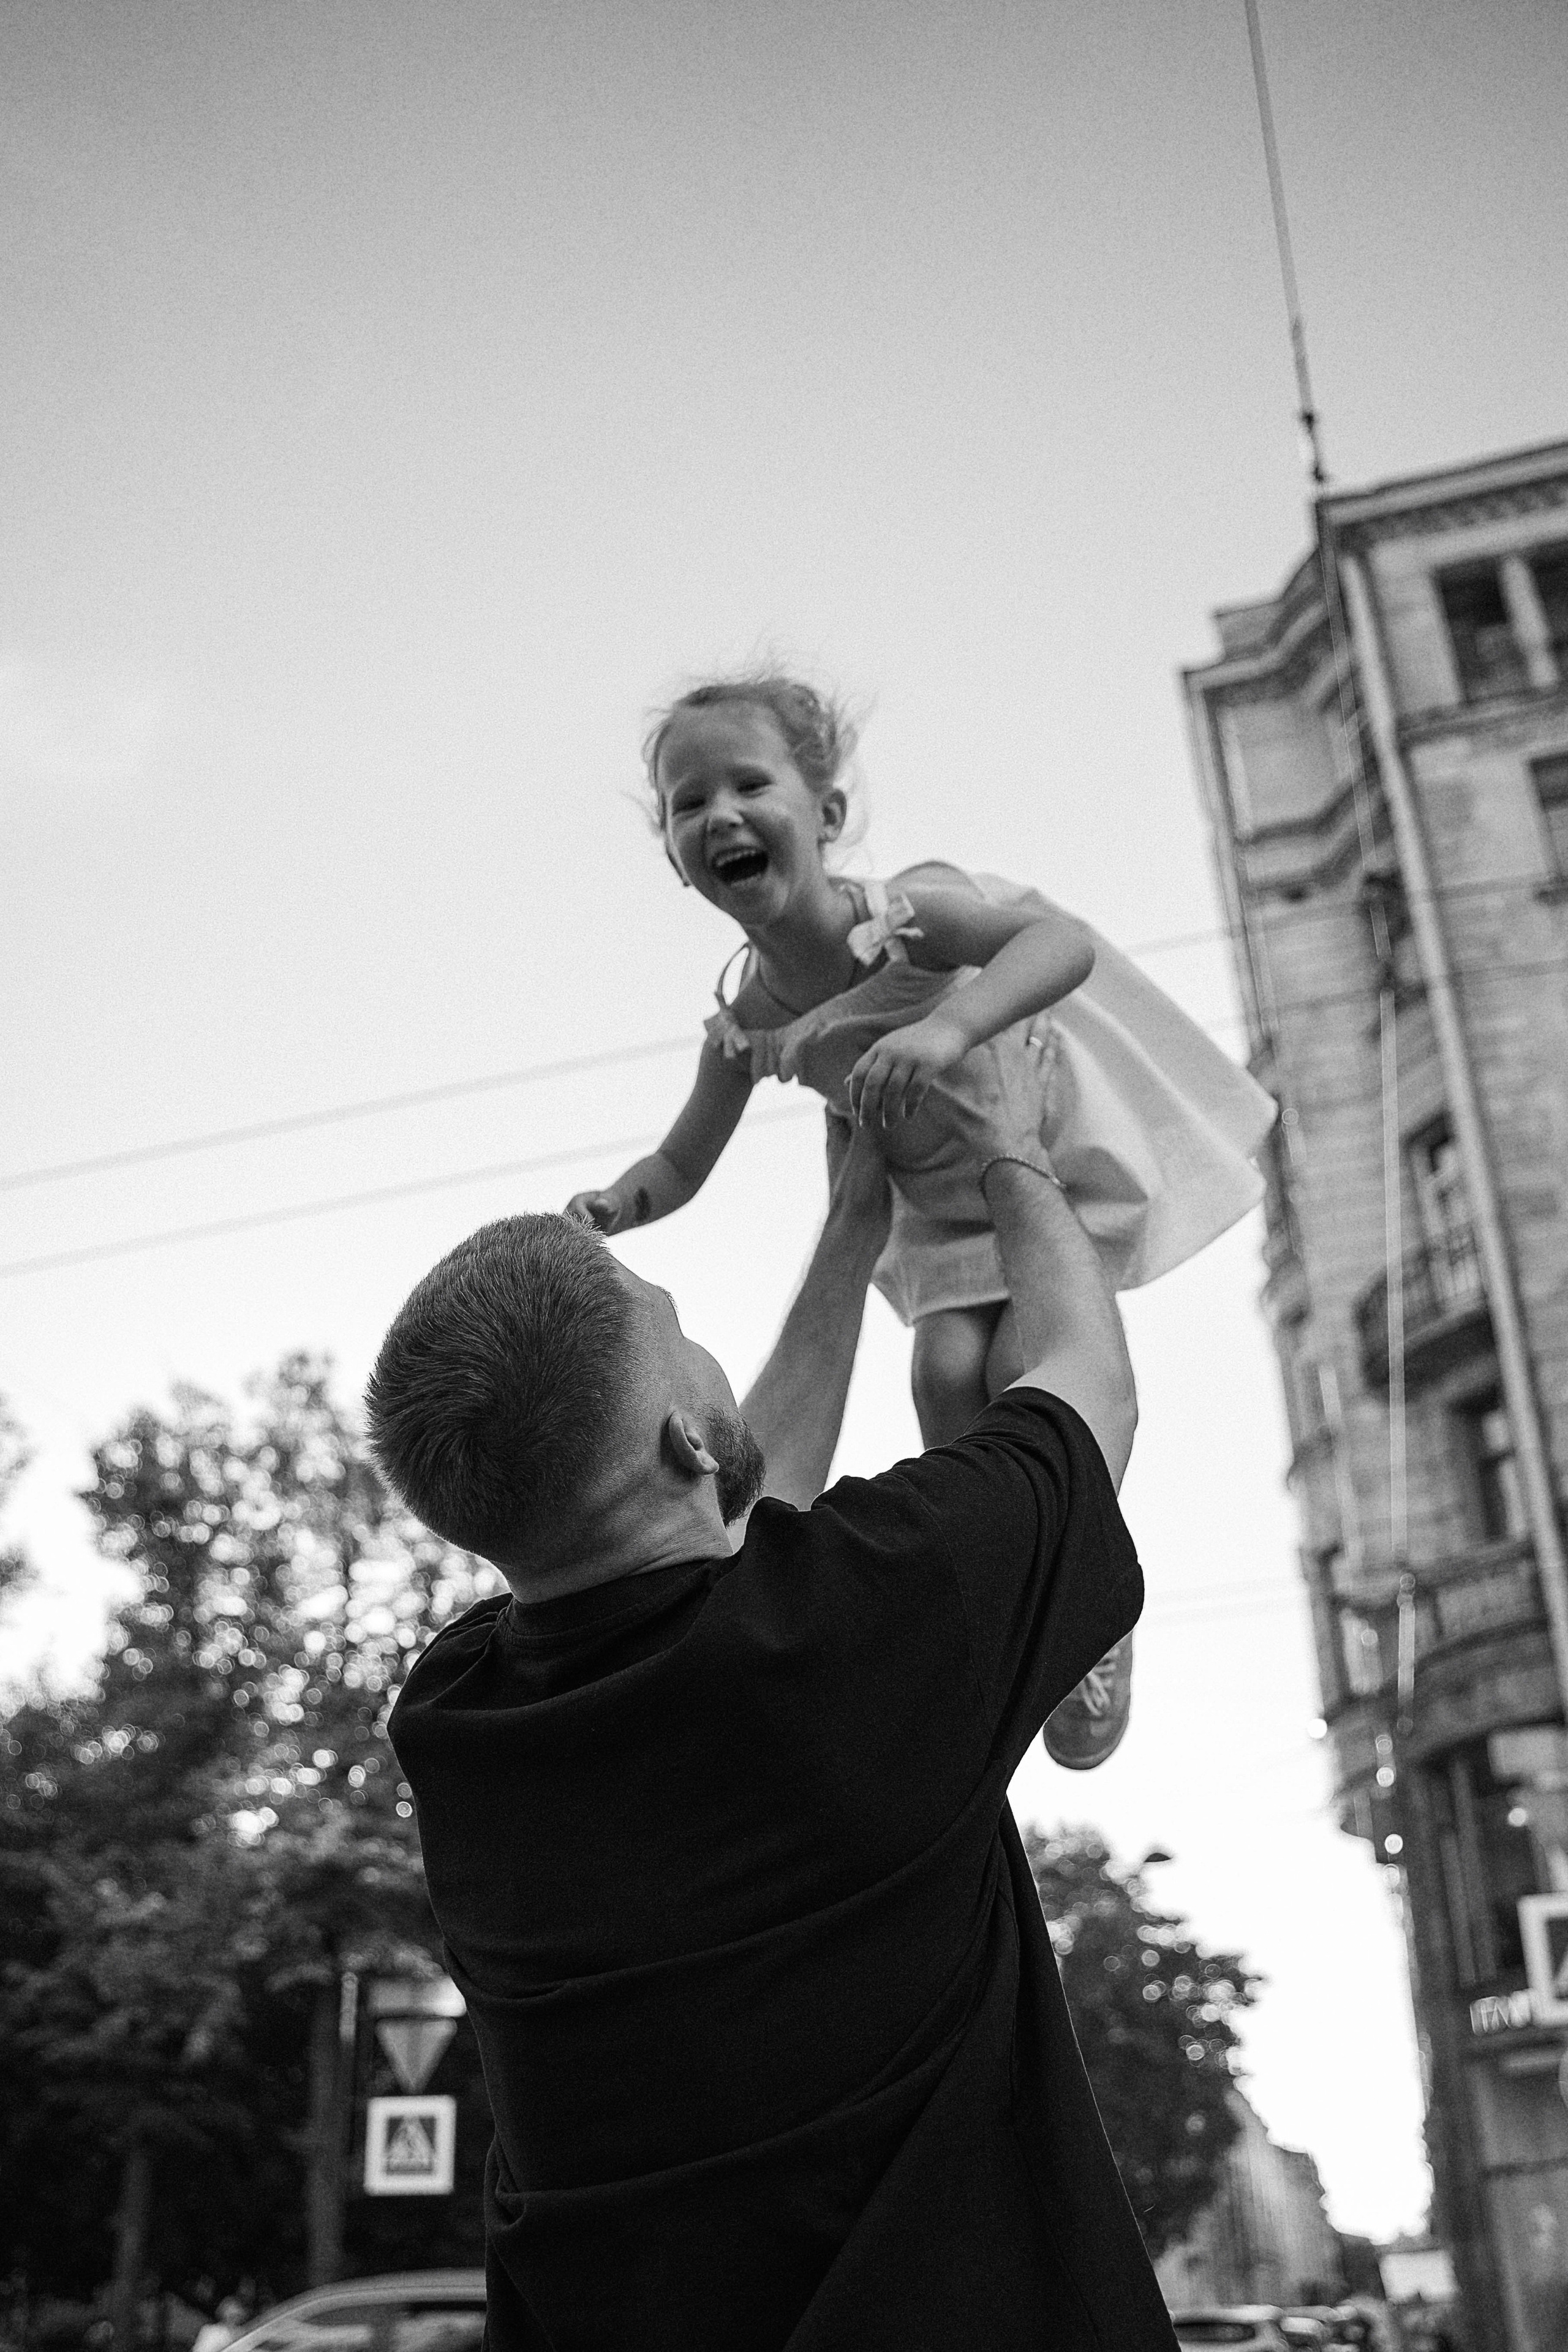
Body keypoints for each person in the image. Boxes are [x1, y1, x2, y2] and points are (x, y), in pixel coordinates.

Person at [370, 1058, 1179, 2350]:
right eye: (683, 1336)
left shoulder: (460, 1729)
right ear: (690, 1439)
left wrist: (854, 1222)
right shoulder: (873, 1612)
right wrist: (1014, 1152)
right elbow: (1087, 1385)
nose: (709, 1361)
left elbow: (729, 1519)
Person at [567, 671, 1274, 1765]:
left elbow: (1058, 947)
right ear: (675, 857)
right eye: (687, 803)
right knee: (946, 1380)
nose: (720, 815)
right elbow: (683, 1156)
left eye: (749, 783)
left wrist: (951, 1031)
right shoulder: (746, 1017)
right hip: (937, 1225)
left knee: (1035, 1376)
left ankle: (1087, 1597)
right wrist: (618, 1205)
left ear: (828, 816)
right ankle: (1015, 1588)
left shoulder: (907, 917)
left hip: (1029, 1173)